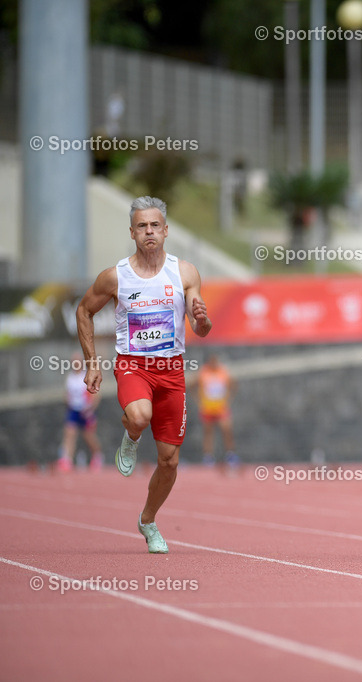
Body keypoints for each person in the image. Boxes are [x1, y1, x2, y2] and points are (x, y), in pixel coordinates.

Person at [77, 196, 213, 553]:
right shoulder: (115, 276)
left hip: (172, 371)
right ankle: (131, 434)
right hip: (133, 365)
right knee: (139, 415)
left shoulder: (185, 273)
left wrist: (201, 319)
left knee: (169, 461)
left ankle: (148, 521)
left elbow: (201, 329)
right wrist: (93, 361)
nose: (149, 231)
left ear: (166, 231)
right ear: (133, 232)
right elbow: (83, 311)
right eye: (142, 226)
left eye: (155, 225)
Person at [59, 353, 104, 472]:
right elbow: (67, 393)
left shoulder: (86, 376)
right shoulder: (70, 377)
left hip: (86, 410)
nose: (75, 364)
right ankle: (66, 460)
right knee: (69, 434)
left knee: (89, 436)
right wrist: (67, 402)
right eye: (73, 361)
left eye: (77, 361)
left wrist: (91, 409)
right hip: (74, 410)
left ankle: (97, 455)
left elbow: (96, 395)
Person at [198, 354, 239, 471]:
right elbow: (192, 384)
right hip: (207, 408)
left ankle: (230, 454)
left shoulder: (223, 372)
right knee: (208, 433)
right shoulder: (203, 372)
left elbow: (234, 384)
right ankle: (208, 456)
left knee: (227, 430)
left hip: (221, 408)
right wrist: (198, 399)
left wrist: (230, 398)